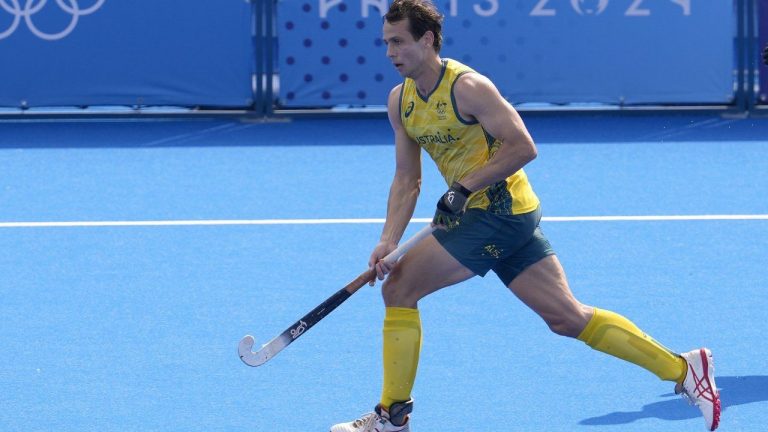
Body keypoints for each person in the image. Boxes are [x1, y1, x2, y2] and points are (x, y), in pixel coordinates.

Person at [330, 1, 720, 431]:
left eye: (398, 41)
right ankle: (686, 370)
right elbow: (407, 179)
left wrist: (463, 188)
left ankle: (392, 415)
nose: (390, 52)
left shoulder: (468, 88)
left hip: (498, 212)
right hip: (493, 216)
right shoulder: (400, 102)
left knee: (400, 289)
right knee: (566, 318)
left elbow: (523, 147)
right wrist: (388, 240)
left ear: (427, 40)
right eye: (386, 43)